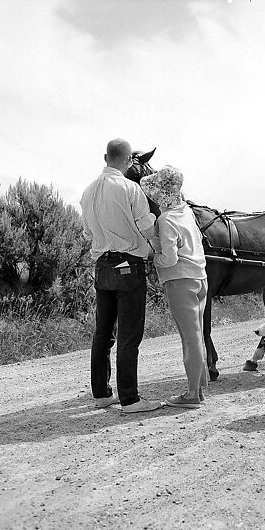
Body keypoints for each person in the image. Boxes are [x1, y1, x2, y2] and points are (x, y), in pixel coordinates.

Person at [80, 138, 163, 413]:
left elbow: (88, 234)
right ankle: (130, 399)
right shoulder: (130, 188)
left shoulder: (87, 192)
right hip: (129, 265)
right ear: (128, 161)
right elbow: (146, 227)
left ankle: (102, 394)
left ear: (105, 157)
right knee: (129, 334)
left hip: (102, 267)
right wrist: (160, 248)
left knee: (103, 332)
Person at [140, 165, 208, 408]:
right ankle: (198, 389)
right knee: (197, 335)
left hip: (181, 281)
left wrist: (153, 258)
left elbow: (170, 258)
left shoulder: (166, 219)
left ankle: (192, 395)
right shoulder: (186, 211)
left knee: (189, 338)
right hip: (200, 279)